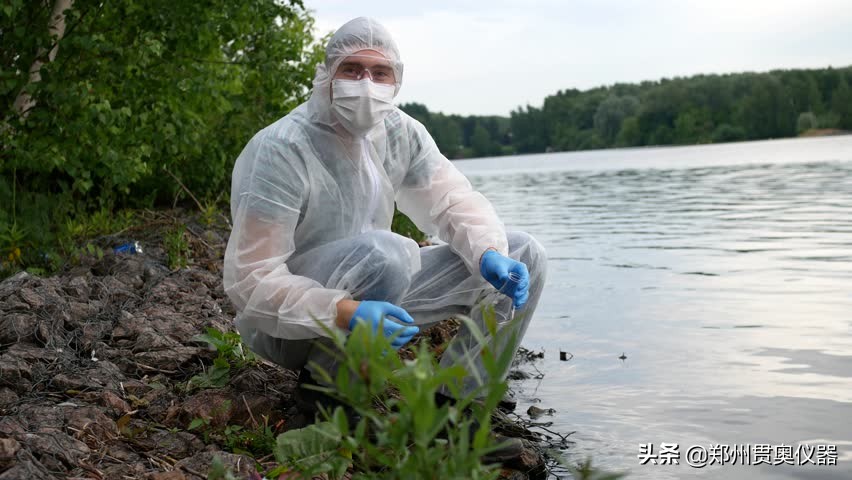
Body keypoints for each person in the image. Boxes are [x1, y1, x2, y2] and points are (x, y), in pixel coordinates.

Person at [223, 16, 547, 460]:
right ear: (327, 73)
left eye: (380, 73)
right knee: (388, 251)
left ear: (396, 80)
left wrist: (488, 252)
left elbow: (451, 200)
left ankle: (455, 412)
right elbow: (251, 280)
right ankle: (326, 399)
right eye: (352, 69)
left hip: (380, 294)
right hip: (290, 324)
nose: (366, 84)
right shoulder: (283, 147)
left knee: (525, 252)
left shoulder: (399, 132)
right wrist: (344, 311)